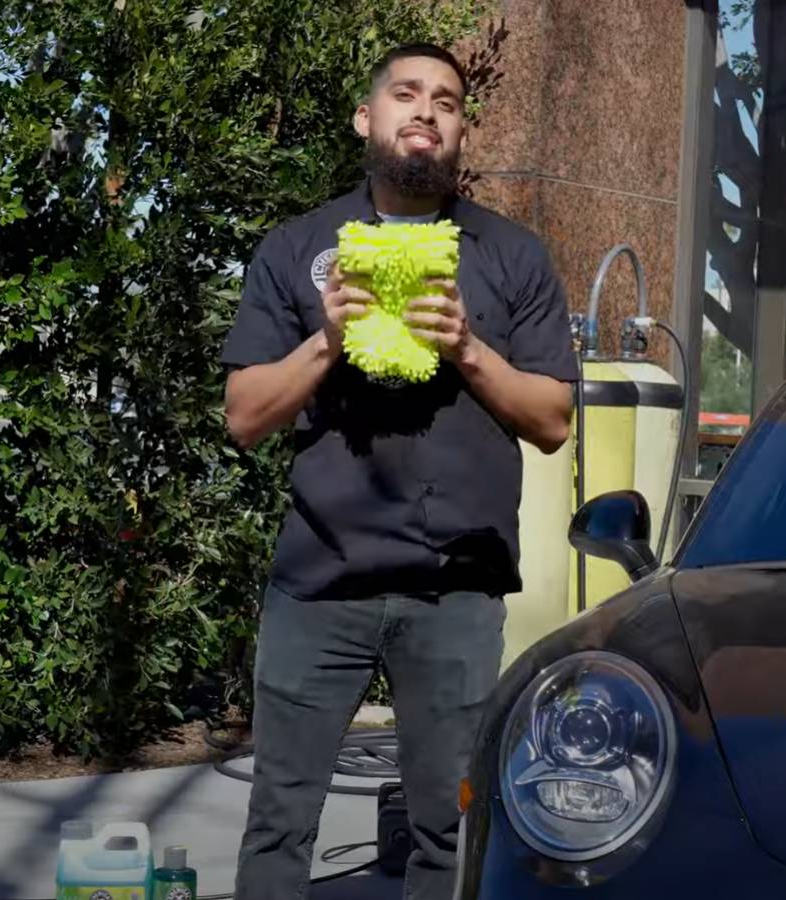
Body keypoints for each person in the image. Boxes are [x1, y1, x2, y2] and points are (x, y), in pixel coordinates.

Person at [220, 42, 578, 900]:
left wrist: (464, 346)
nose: (426, 110)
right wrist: (326, 341)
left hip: (456, 585)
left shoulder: (512, 257)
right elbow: (243, 417)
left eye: (447, 101)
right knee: (278, 821)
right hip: (319, 579)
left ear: (461, 130)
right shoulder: (300, 249)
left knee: (450, 829)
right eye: (407, 94)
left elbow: (553, 421)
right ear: (367, 118)